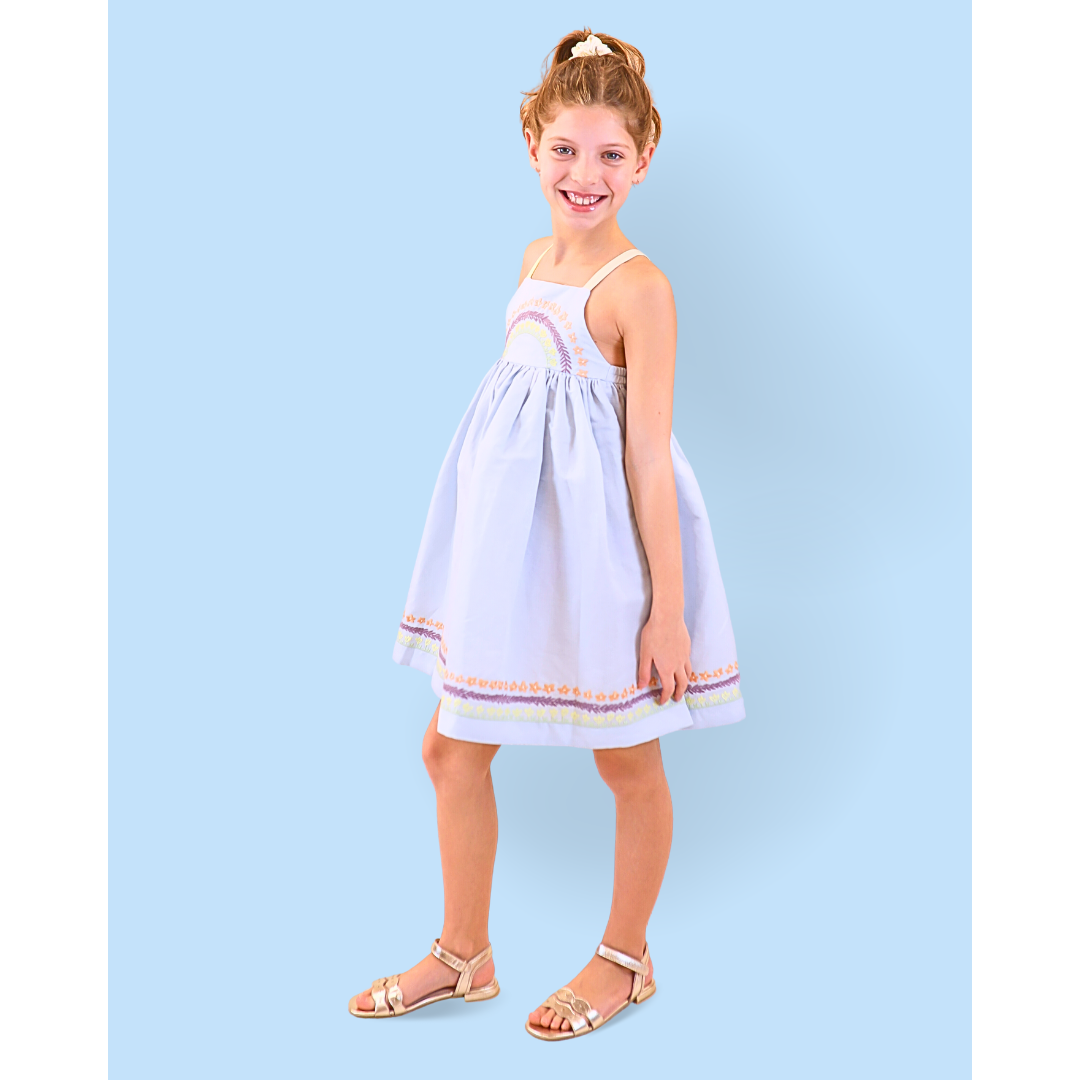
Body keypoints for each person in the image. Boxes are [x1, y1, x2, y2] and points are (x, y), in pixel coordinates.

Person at [348, 28, 744, 1041]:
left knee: (628, 763)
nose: (585, 173)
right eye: (566, 149)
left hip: (603, 559)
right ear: (532, 145)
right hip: (510, 555)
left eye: (611, 153)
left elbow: (646, 456)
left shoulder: (640, 288)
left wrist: (666, 611)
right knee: (449, 747)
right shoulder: (533, 259)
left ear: (645, 157)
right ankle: (463, 952)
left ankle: (625, 957)